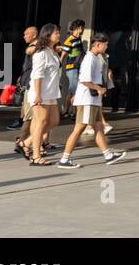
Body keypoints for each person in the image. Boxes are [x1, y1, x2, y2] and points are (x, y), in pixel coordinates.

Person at [56, 32, 127, 169]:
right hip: (87, 99)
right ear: (98, 44)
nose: (106, 47)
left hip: (92, 100)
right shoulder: (90, 59)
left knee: (99, 128)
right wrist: (98, 89)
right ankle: (64, 159)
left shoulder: (96, 58)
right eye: (105, 45)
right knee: (79, 129)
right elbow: (85, 80)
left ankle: (108, 155)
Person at [21, 24, 63, 166]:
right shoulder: (41, 52)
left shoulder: (53, 52)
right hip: (41, 93)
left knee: (54, 121)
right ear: (48, 35)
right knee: (41, 122)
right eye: (56, 32)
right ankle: (36, 156)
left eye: (58, 32)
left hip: (51, 93)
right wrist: (38, 95)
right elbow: (37, 75)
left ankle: (26, 142)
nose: (58, 34)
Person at [10, 26, 38, 137]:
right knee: (28, 113)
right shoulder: (31, 47)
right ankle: (24, 140)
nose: (24, 36)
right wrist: (21, 77)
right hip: (27, 82)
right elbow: (27, 66)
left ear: (34, 35)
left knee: (30, 115)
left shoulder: (35, 47)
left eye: (26, 34)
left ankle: (23, 141)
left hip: (32, 83)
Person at [58, 19, 87, 118]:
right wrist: (60, 63)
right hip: (72, 68)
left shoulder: (78, 39)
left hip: (77, 67)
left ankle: (66, 110)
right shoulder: (70, 39)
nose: (83, 30)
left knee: (72, 90)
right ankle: (75, 113)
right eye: (83, 27)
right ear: (79, 28)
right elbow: (64, 54)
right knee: (76, 90)